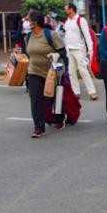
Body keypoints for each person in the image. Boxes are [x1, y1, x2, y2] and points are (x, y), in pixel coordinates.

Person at [24, 10, 65, 138]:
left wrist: (56, 54)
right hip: (34, 71)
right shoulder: (28, 36)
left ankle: (59, 119)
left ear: (34, 23)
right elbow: (27, 52)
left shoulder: (50, 35)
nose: (26, 21)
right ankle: (38, 128)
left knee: (51, 97)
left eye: (28, 19)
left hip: (51, 72)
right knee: (36, 99)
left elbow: (63, 52)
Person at [62, 3, 98, 100]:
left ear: (71, 9)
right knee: (71, 72)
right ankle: (76, 92)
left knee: (83, 71)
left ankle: (92, 92)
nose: (65, 10)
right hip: (70, 50)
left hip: (79, 49)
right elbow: (66, 36)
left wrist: (90, 49)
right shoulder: (67, 22)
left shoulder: (80, 20)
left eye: (66, 9)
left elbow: (87, 35)